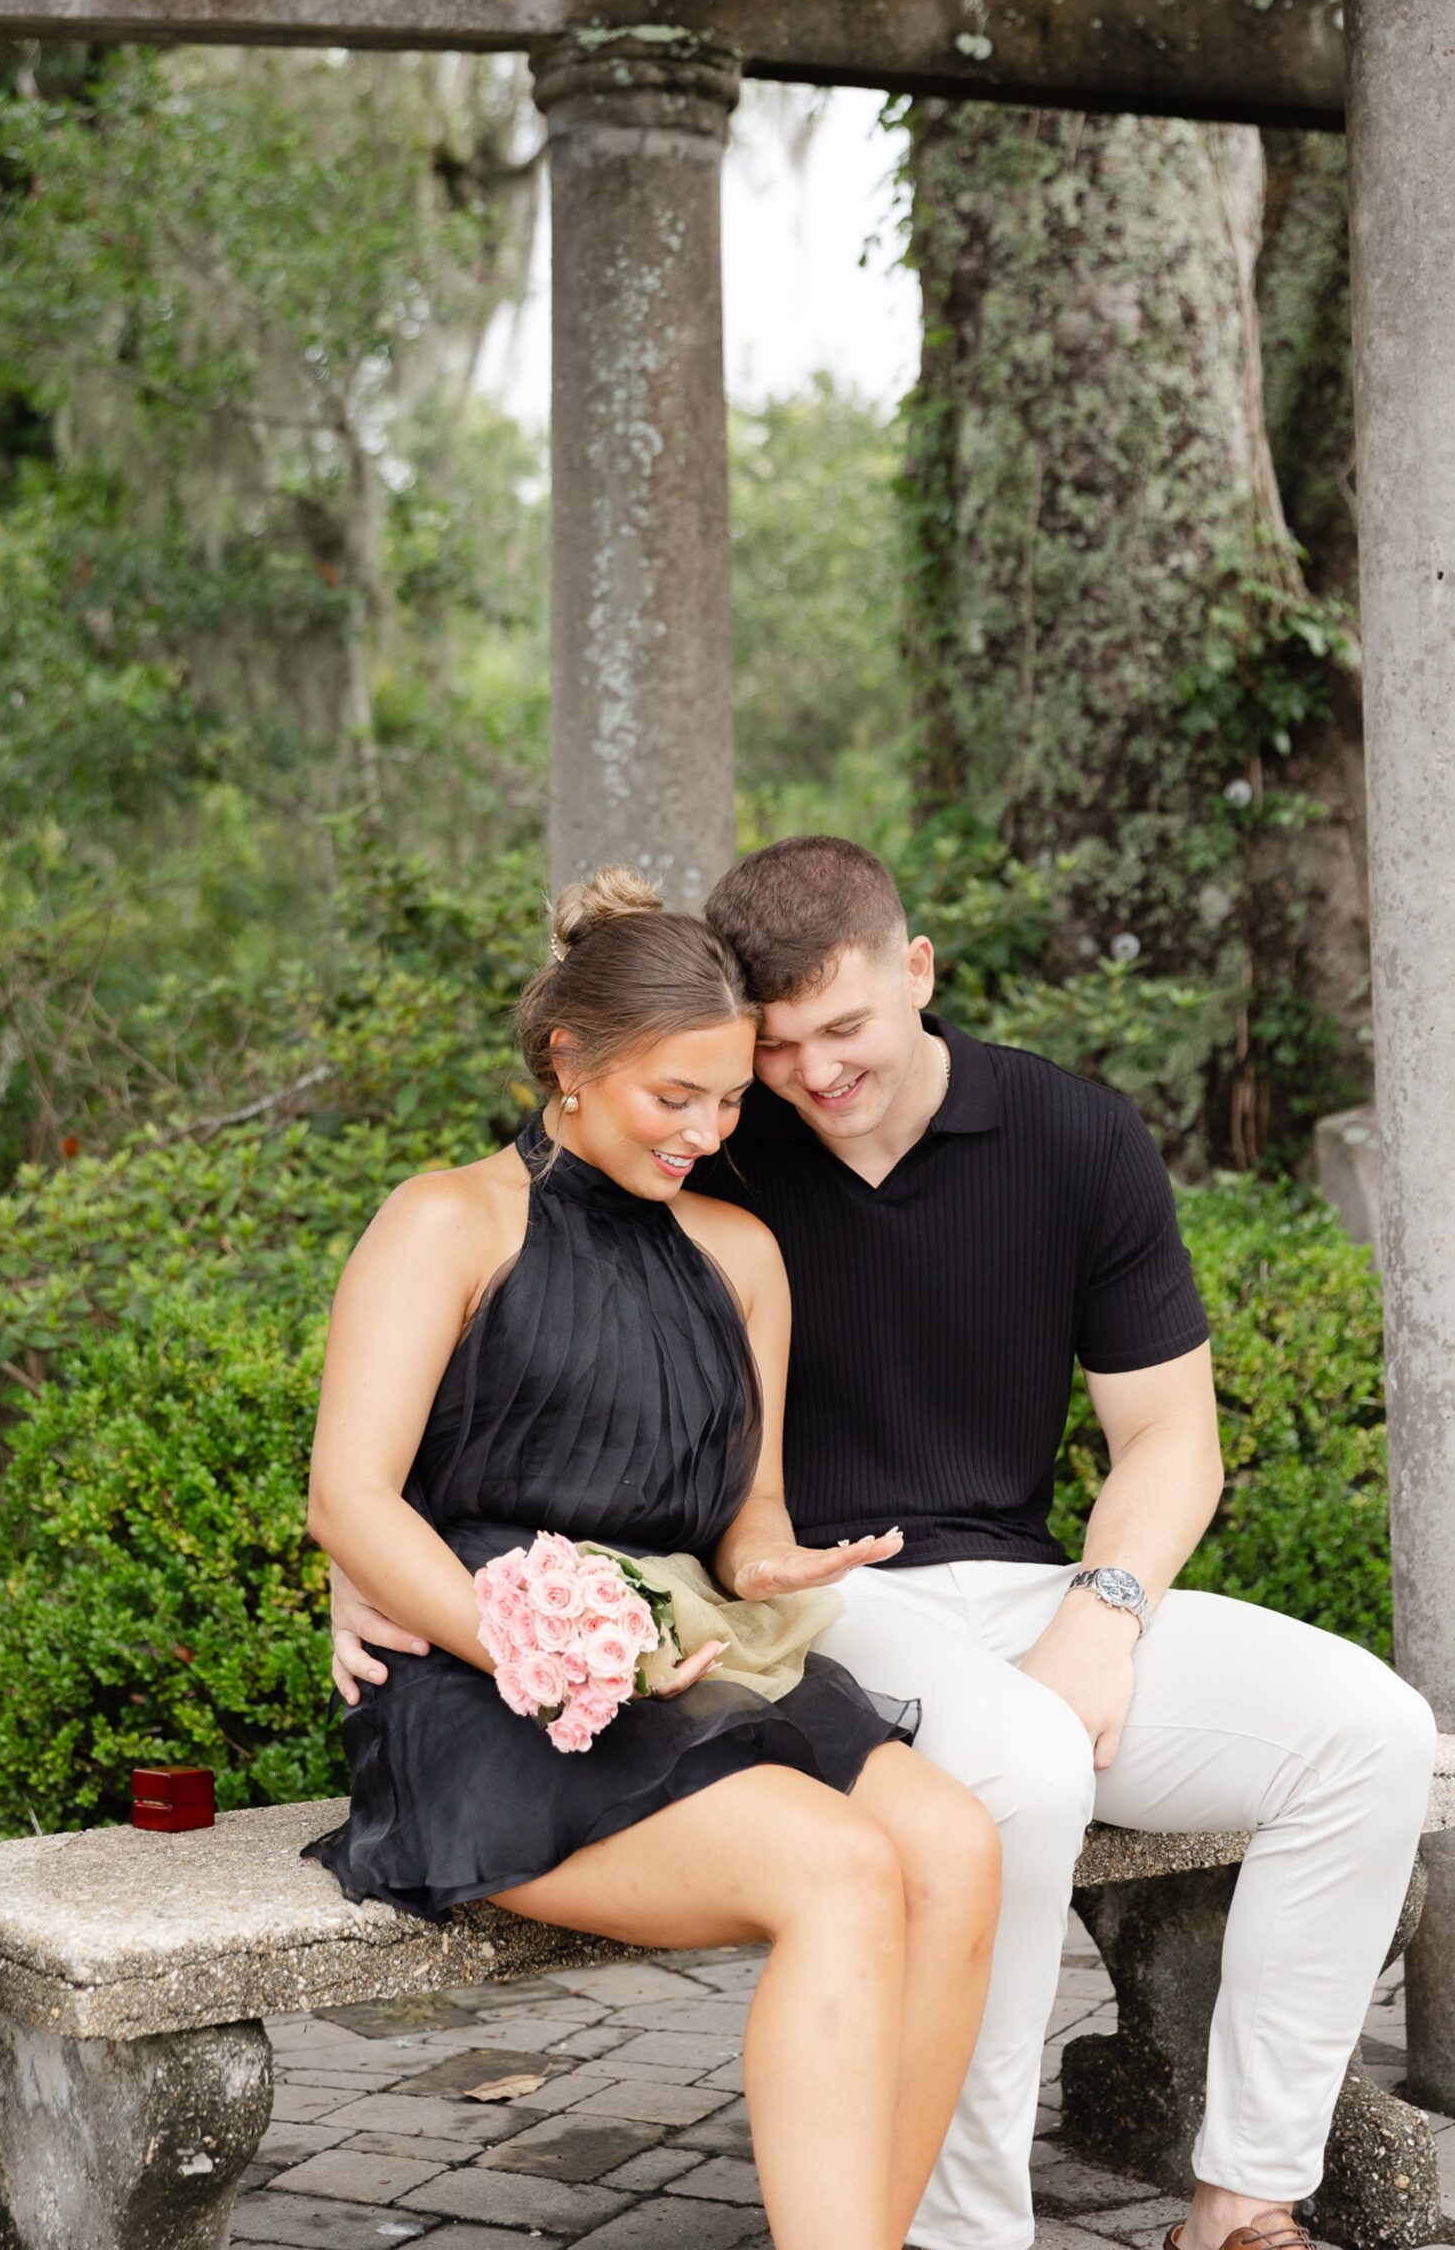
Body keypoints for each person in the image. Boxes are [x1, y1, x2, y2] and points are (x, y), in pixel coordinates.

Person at [334, 834, 1438, 2250]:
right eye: (767, 1056)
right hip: (831, 1623)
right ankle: (965, 2228)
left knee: (1372, 1734)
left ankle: (1243, 2206)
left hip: (1015, 1587)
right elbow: (467, 1402)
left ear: (917, 972)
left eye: (838, 1032)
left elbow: (1171, 1440)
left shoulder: (1064, 1138)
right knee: (1013, 1775)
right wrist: (387, 1580)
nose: (802, 1081)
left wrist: (1104, 1607)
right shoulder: (701, 1146)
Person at [306, 865, 1001, 2250]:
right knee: (842, 1871)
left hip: (691, 1661)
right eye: (672, 1098)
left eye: (731, 1099)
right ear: (570, 1057)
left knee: (957, 1847)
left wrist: (775, 1562)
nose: (708, 1130)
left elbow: (742, 1515)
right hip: (489, 1687)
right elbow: (350, 1500)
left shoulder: (741, 1253)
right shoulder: (447, 1221)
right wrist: (538, 1639)